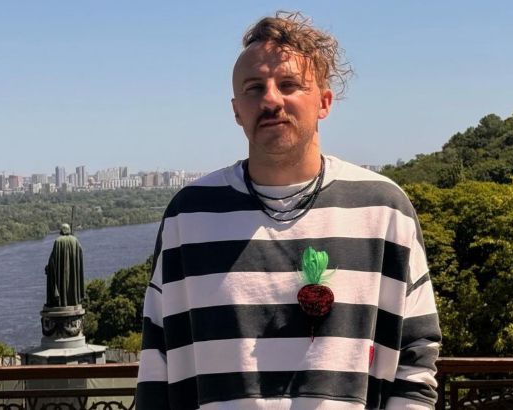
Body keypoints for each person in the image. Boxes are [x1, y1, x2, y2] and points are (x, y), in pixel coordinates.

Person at [136, 11, 441, 410]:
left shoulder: (382, 209)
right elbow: (157, 358)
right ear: (236, 110)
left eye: (289, 85)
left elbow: (415, 356)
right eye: (254, 88)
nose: (271, 99)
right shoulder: (189, 216)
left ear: (324, 102)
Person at [44, 223, 84, 307]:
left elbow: (53, 260)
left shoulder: (58, 241)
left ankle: (61, 301)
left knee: (59, 280)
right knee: (72, 280)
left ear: (62, 230)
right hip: (73, 272)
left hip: (61, 272)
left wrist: (48, 268)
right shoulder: (75, 240)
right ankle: (74, 299)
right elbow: (80, 254)